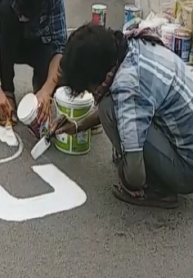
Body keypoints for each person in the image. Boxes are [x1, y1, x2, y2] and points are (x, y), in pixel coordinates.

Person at [58, 24, 193, 208]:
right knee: (114, 107)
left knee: (108, 106)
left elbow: (135, 176)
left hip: (187, 172)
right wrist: (77, 125)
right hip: (185, 142)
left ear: (95, 78)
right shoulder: (129, 44)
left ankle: (158, 189)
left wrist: (128, 175)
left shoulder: (126, 87)